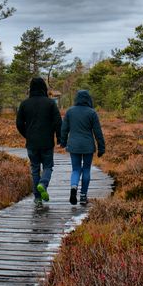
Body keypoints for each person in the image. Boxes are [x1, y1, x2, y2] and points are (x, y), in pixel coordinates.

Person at [16, 77, 62, 206]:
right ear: (44, 88)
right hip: (47, 142)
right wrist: (59, 138)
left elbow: (19, 123)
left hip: (32, 143)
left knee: (35, 169)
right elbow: (58, 122)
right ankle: (43, 184)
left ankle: (37, 198)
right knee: (48, 166)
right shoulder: (50, 103)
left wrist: (27, 135)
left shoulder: (25, 104)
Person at [60, 89, 105, 205]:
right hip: (88, 146)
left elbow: (64, 129)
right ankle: (83, 196)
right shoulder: (92, 113)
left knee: (75, 169)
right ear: (88, 99)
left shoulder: (70, 112)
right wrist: (101, 148)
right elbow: (98, 132)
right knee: (86, 169)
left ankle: (73, 187)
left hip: (73, 145)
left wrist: (63, 142)